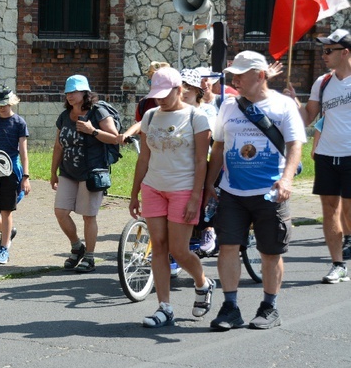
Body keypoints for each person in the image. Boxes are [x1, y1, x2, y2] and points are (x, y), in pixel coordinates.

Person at [205, 51, 305, 331]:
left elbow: (295, 145)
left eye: (241, 74)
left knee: (270, 252)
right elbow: (219, 147)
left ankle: (269, 307)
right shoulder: (228, 106)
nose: (234, 78)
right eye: (233, 73)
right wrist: (209, 186)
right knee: (227, 248)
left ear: (260, 75)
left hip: (270, 192)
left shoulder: (283, 105)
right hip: (232, 192)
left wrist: (286, 180)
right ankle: (230, 307)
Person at [129, 68, 214, 327]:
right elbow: (144, 158)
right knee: (159, 246)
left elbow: (202, 161)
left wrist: (195, 198)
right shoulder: (150, 116)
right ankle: (164, 307)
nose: (160, 100)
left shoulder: (196, 117)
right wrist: (134, 194)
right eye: (156, 95)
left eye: (166, 94)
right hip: (153, 187)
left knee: (179, 249)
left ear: (180, 90)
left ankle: (203, 283)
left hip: (183, 189)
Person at [285, 29, 351, 284]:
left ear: (345, 52)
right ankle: (338, 264)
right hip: (326, 156)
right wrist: (294, 103)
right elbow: (307, 119)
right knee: (329, 210)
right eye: (323, 50)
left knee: (348, 209)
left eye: (328, 50)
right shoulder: (322, 82)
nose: (323, 55)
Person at [50, 75, 119, 273]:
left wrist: (92, 131)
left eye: (74, 92)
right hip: (68, 171)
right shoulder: (64, 116)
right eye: (68, 92)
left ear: (85, 92)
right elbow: (58, 145)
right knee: (60, 212)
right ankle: (76, 246)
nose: (70, 96)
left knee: (88, 216)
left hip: (91, 171)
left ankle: (90, 256)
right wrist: (53, 171)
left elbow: (115, 139)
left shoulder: (98, 112)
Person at [0, 85, 31, 264]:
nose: (1, 108)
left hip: (11, 171)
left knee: (6, 210)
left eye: (4, 104)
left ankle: (3, 249)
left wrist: (26, 177)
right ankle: (8, 231)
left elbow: (24, 152)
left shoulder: (19, 123)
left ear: (11, 102)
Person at [180, 68, 218, 256]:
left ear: (197, 91)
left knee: (207, 183)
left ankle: (207, 229)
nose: (183, 91)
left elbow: (209, 135)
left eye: (188, 87)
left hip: (203, 159)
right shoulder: (172, 110)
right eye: (181, 87)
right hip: (179, 162)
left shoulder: (206, 110)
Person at [121, 61, 170, 141]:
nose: (153, 85)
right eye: (151, 81)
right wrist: (126, 134)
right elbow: (141, 125)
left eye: (158, 81)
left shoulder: (181, 106)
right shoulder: (144, 103)